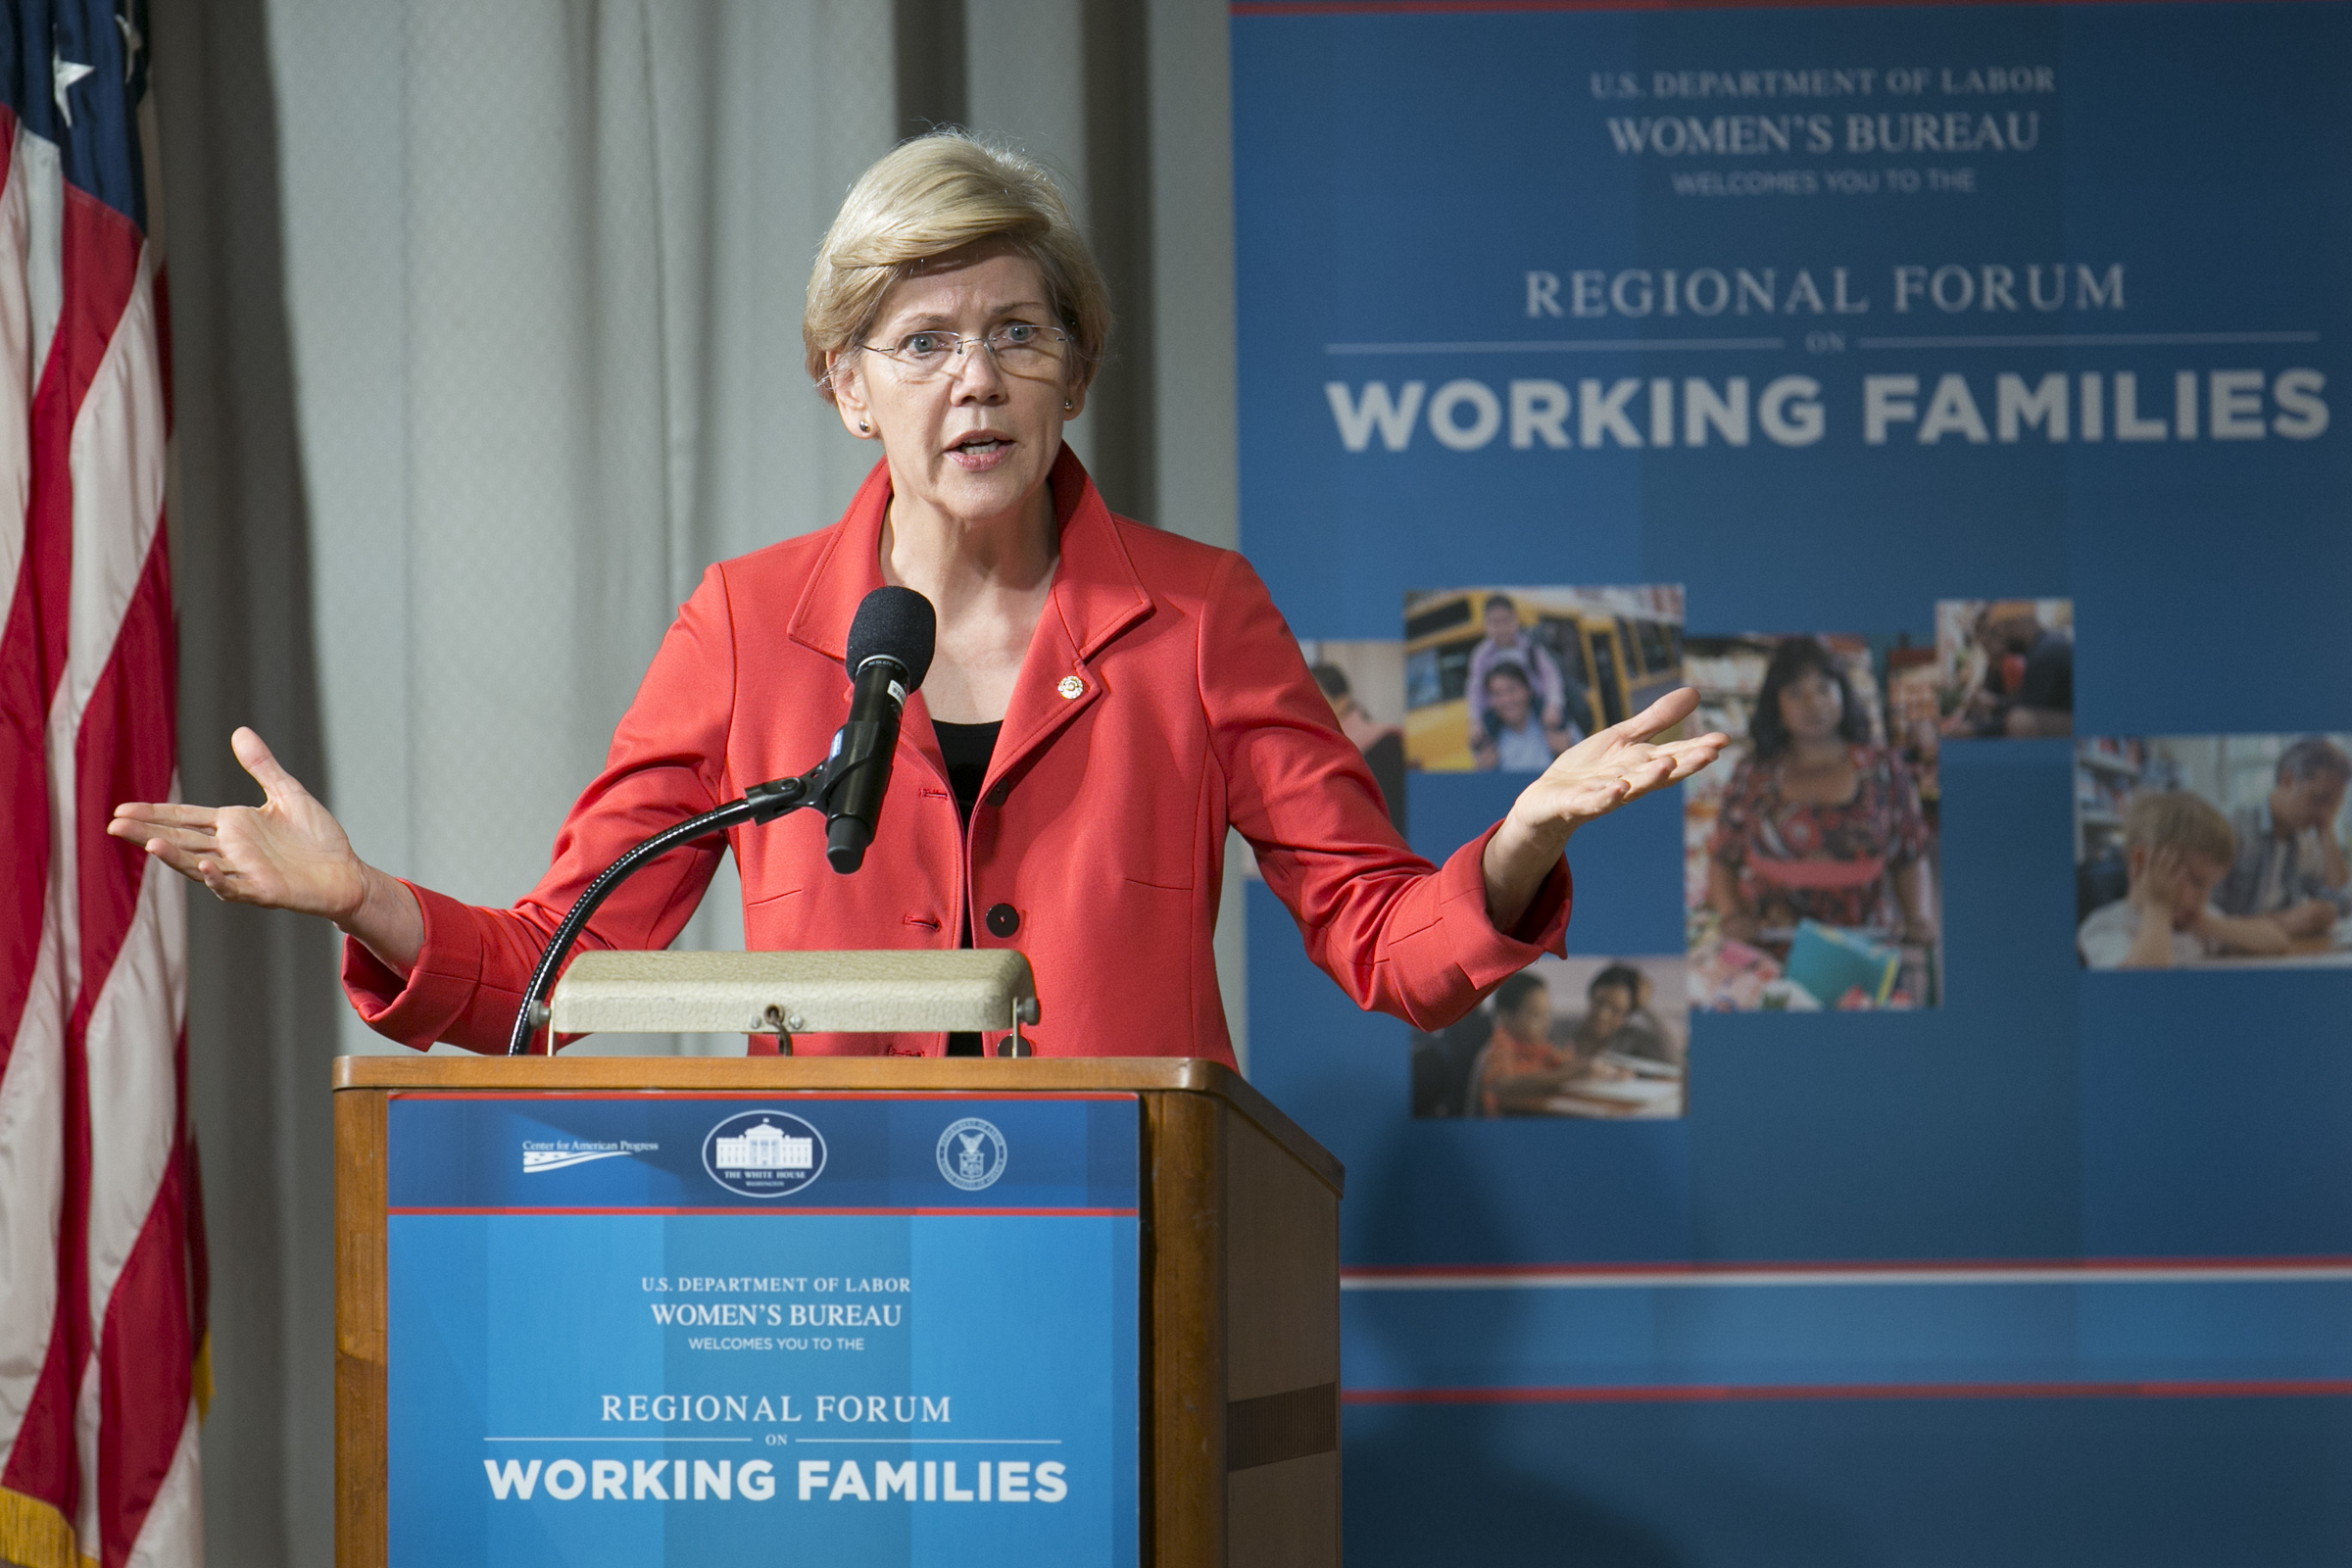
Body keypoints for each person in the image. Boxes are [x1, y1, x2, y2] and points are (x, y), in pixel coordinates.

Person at [110, 131, 1728, 1061]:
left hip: (1132, 1243)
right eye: (923, 340)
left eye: (1019, 333)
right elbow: (561, 966)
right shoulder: (747, 626)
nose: (978, 380)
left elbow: (1387, 947)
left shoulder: (1201, 616)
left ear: (1076, 369)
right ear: (846, 388)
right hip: (824, 1266)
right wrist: (362, 899)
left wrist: (1521, 843)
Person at [1706, 637, 1936, 947]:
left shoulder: (1883, 770)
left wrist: (1917, 917)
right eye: (1796, 693)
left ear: (1843, 693)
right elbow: (1723, 857)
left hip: (1863, 948)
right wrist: (1732, 916)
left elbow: (1910, 854)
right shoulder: (1752, 775)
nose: (1813, 705)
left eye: (1824, 688)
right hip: (1772, 953)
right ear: (1777, 705)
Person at [2079, 791, 2289, 968]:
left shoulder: (2194, 920)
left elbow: (2276, 941)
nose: (2205, 896)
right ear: (2142, 861)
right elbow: (2144, 987)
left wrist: (2206, 925)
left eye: (2210, 885)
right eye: (2197, 882)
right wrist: (2158, 907)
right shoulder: (2104, 927)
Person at [2214, 737, 2352, 941]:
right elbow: (2207, 915)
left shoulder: (2304, 839)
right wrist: (2284, 922)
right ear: (2286, 780)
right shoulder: (2232, 829)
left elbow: (2342, 901)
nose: (2324, 814)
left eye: (2333, 805)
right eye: (2318, 799)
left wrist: (2326, 831)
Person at [1945, 601, 2072, 739]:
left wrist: (1975, 730)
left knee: (2020, 722)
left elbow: (2025, 713)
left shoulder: (2043, 653)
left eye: (2002, 629)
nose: (2003, 636)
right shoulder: (2036, 650)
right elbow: (2023, 704)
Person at [1464, 594, 1569, 741]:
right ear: (1486, 625)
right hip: (1500, 709)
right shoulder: (1481, 656)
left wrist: (1553, 705)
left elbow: (1551, 676)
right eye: (1494, 622)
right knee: (1481, 740)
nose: (1501, 628)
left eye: (1506, 621)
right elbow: (1475, 690)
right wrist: (1475, 721)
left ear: (1516, 620)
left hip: (1534, 701)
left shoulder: (1530, 647)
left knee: (1557, 729)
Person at [1470, 971, 1570, 1115]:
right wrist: (1567, 1075)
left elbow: (1562, 1062)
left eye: (1547, 1013)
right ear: (1506, 1016)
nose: (1545, 1023)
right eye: (1536, 1014)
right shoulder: (1498, 1049)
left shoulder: (1535, 1048)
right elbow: (1504, 1086)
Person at [1469, 662, 1569, 772]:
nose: (1506, 700)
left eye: (1511, 690)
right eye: (1497, 694)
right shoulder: (1487, 737)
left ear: (1528, 689)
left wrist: (1567, 751)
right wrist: (1484, 771)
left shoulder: (1555, 723)